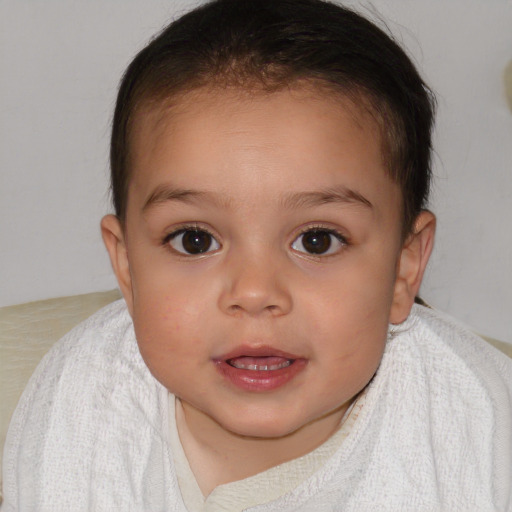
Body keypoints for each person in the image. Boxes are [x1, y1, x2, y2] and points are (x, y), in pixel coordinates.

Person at [2, 0, 511, 510]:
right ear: (128, 268)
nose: (254, 292)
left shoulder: (474, 427)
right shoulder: (85, 406)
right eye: (194, 240)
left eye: (317, 240)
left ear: (404, 270)